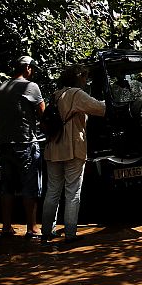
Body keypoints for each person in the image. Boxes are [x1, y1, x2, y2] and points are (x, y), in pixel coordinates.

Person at [41, 64, 106, 245]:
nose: (86, 81)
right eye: (84, 78)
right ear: (79, 78)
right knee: (72, 192)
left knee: (52, 191)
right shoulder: (76, 94)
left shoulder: (56, 95)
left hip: (53, 147)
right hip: (73, 147)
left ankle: (46, 231)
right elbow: (100, 109)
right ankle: (70, 234)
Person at [0, 55, 45, 239]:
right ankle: (32, 228)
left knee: (7, 188)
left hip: (5, 144)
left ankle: (6, 227)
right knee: (30, 187)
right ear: (27, 68)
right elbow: (43, 116)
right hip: (25, 144)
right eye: (32, 69)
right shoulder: (30, 87)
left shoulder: (1, 87)